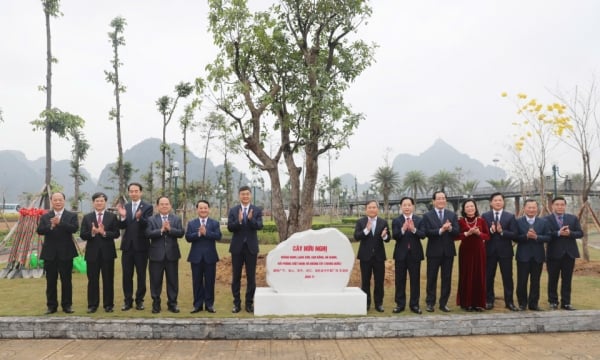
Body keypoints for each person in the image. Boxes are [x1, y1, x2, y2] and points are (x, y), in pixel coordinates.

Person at [36, 192, 79, 314]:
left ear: (64, 201)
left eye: (60, 200)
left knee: (66, 280)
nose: (58, 202)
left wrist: (60, 223)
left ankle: (67, 305)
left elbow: (74, 228)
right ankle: (51, 306)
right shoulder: (45, 216)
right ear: (51, 201)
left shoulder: (71, 215)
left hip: (66, 252)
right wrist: (51, 225)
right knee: (50, 281)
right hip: (50, 253)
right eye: (55, 200)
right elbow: (39, 231)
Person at [79, 192, 119, 313]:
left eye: (101, 201)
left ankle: (108, 305)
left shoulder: (111, 217)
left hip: (108, 253)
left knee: (108, 279)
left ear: (105, 202)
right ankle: (92, 305)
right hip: (92, 254)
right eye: (97, 201)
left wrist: (104, 233)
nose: (99, 203)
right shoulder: (87, 217)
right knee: (92, 280)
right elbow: (82, 235)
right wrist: (93, 233)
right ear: (93, 203)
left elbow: (116, 233)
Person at [420, 190, 459, 312]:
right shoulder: (427, 216)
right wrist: (441, 230)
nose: (441, 200)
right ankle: (430, 303)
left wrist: (450, 228)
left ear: (445, 201)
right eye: (439, 198)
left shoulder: (452, 215)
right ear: (434, 201)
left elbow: (457, 232)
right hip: (433, 252)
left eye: (443, 198)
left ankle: (443, 303)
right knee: (431, 277)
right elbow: (426, 233)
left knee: (446, 278)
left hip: (448, 252)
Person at [145, 196, 185, 314]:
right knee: (155, 281)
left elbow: (181, 233)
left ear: (170, 206)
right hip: (156, 255)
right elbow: (148, 233)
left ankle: (172, 304)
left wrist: (170, 229)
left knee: (173, 281)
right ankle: (156, 304)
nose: (164, 206)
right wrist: (161, 230)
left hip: (172, 255)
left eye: (166, 204)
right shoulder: (151, 219)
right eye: (162, 204)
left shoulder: (176, 219)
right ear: (157, 206)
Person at [117, 182, 153, 311]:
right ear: (129, 192)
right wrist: (122, 217)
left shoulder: (148, 207)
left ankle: (139, 300)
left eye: (136, 191)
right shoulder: (125, 206)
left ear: (141, 192)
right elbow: (122, 226)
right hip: (127, 247)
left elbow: (147, 224)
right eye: (131, 191)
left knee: (141, 275)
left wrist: (139, 218)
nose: (133, 193)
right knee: (127, 275)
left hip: (142, 247)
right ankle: (127, 301)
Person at [227, 185, 263, 313]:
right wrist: (240, 221)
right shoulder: (233, 210)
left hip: (251, 248)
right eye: (243, 194)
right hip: (237, 248)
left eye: (247, 194)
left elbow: (259, 226)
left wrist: (250, 219)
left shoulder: (256, 210)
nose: (245, 196)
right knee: (236, 276)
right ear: (239, 196)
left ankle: (249, 303)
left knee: (251, 277)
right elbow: (230, 227)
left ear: (250, 195)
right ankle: (236, 303)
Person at [481, 192, 519, 311]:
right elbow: (482, 234)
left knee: (507, 277)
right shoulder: (485, 216)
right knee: (488, 277)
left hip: (505, 252)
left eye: (500, 200)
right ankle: (488, 300)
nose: (498, 202)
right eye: (495, 200)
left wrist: (502, 232)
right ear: (491, 203)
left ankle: (509, 302)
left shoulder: (510, 216)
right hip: (489, 251)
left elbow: (515, 235)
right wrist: (491, 231)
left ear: (503, 202)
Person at [544, 196, 583, 311]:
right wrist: (558, 233)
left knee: (567, 279)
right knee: (553, 279)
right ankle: (553, 302)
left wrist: (570, 233)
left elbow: (580, 233)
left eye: (562, 204)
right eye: (557, 204)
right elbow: (546, 235)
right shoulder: (546, 219)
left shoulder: (573, 218)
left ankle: (566, 303)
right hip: (553, 254)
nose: (560, 207)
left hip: (569, 254)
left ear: (565, 206)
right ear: (552, 206)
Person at [186, 200, 222, 314]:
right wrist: (198, 234)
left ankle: (209, 305)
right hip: (195, 257)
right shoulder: (192, 223)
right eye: (201, 208)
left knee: (210, 282)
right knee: (197, 282)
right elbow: (187, 237)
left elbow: (218, 236)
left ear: (209, 209)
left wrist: (206, 233)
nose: (203, 210)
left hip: (210, 257)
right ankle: (197, 305)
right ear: (197, 210)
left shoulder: (214, 223)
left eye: (205, 208)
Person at [515, 199, 551, 311]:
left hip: (538, 256)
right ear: (524, 208)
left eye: (534, 207)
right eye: (529, 207)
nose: (531, 209)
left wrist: (537, 237)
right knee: (522, 281)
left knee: (535, 281)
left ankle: (534, 304)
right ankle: (522, 304)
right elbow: (515, 237)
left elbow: (548, 237)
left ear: (537, 208)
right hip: (523, 256)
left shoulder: (543, 222)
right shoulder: (518, 221)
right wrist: (526, 236)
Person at [391, 197, 425, 314]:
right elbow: (395, 236)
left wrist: (414, 229)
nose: (407, 207)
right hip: (401, 255)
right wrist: (403, 229)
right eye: (404, 205)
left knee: (415, 280)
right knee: (400, 280)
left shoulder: (419, 220)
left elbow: (423, 235)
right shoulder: (396, 221)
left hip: (415, 255)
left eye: (409, 205)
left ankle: (414, 305)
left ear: (413, 207)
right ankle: (400, 304)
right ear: (401, 207)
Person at [354, 200, 389, 312]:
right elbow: (356, 237)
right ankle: (366, 303)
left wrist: (384, 236)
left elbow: (388, 238)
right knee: (365, 281)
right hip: (365, 257)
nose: (372, 209)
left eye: (374, 207)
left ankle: (379, 304)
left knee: (379, 281)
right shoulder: (361, 222)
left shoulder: (383, 222)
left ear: (377, 209)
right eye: (369, 207)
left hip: (379, 257)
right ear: (366, 209)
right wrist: (366, 230)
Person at [455, 199, 489, 311]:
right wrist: (466, 233)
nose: (470, 208)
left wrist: (479, 233)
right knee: (466, 275)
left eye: (472, 206)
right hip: (465, 251)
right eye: (467, 207)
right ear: (464, 209)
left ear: (475, 207)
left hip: (479, 251)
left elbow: (487, 236)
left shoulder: (481, 220)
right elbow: (456, 237)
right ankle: (467, 303)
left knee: (478, 275)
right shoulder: (460, 221)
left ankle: (478, 303)